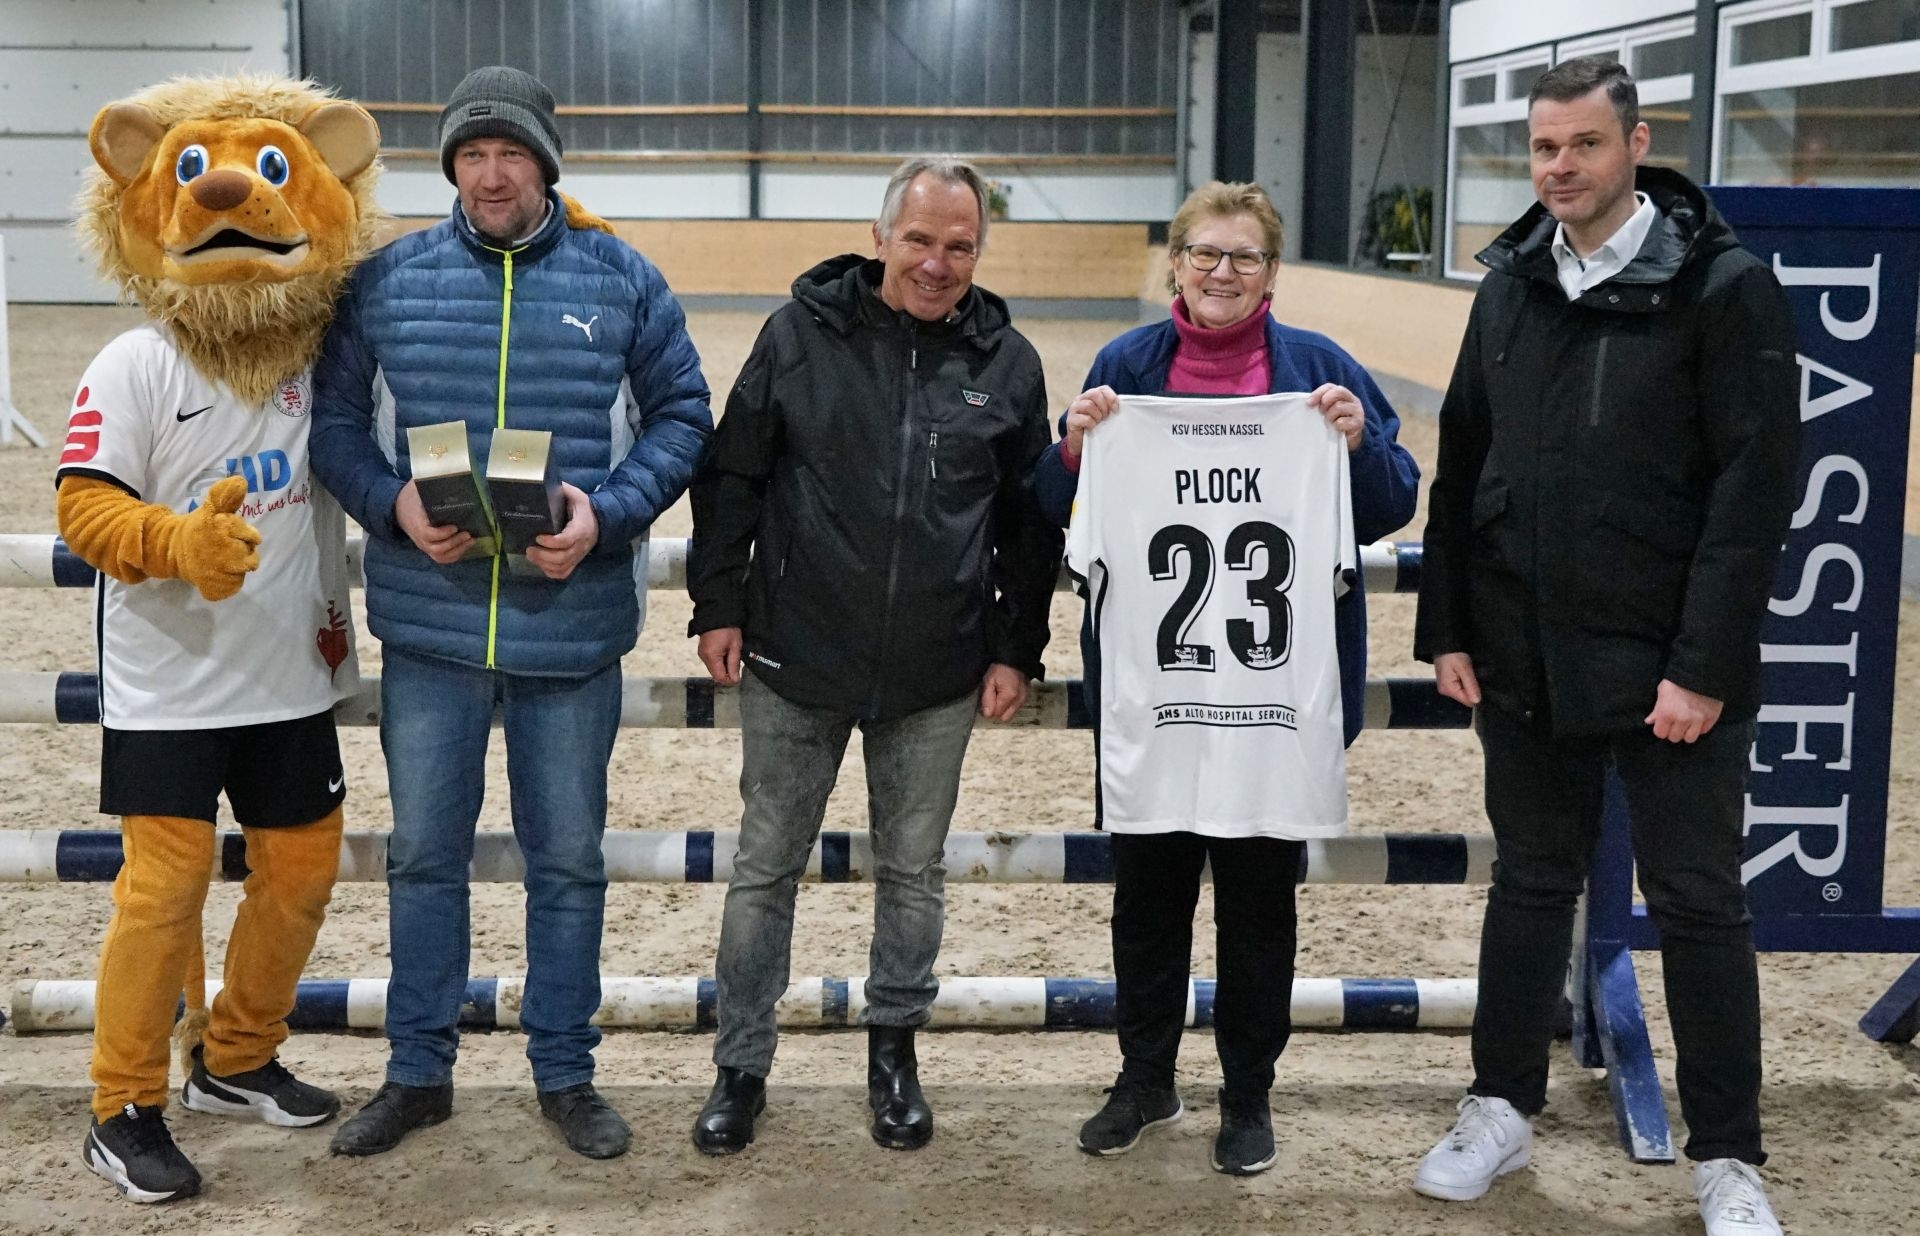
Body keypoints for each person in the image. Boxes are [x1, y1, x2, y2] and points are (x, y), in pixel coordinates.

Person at [1411, 56, 1798, 1236]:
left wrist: (1703, 665)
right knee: (1531, 881)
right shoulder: (1511, 283)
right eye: (1543, 147)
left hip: (1669, 667)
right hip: (1523, 651)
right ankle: (1499, 1105)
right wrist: (1449, 625)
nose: (1560, 167)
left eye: (1583, 144)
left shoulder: (1725, 288)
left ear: (1637, 143)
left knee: (1698, 900)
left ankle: (1727, 1156)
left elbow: (1754, 492)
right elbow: (1463, 456)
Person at [309, 65, 712, 1161]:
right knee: (423, 858)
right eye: (473, 155)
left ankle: (566, 1073)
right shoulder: (387, 281)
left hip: (569, 634)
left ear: (546, 164)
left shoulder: (623, 279)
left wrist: (607, 515)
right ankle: (417, 1071)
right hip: (431, 630)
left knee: (567, 862)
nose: (492, 175)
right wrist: (390, 503)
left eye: (512, 153)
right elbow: (333, 422)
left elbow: (684, 415)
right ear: (452, 166)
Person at [1030, 180, 1420, 1175]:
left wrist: (1356, 442)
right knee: (1147, 901)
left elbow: (1390, 504)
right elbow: (1050, 503)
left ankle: (1248, 1093)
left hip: (1273, 699)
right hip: (1155, 693)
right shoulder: (1125, 366)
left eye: (1245, 256)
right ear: (1176, 261)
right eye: (1205, 252)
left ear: (1272, 271)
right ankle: (1145, 1077)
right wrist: (1074, 444)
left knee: (1259, 907)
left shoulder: (1321, 369)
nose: (1222, 271)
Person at [685, 155, 1063, 1156]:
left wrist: (1015, 647)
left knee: (913, 873)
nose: (937, 263)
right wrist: (718, 604)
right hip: (794, 657)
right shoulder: (796, 336)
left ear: (978, 251)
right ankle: (740, 1065)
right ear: (881, 236)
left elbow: (1030, 528)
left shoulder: (1011, 365)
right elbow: (733, 476)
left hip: (938, 674)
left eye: (960, 245)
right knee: (765, 869)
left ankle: (893, 1055)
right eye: (921, 240)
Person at [58, 73, 382, 1204]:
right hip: (170, 684)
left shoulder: (325, 362)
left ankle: (236, 1056)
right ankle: (122, 1104)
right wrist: (174, 542)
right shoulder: (135, 362)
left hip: (291, 674)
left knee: (301, 871)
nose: (234, 194)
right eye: (195, 172)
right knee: (163, 891)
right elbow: (83, 507)